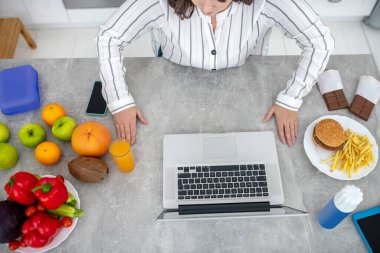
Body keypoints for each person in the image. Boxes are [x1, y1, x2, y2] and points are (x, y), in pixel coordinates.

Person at [96, 0, 334, 147]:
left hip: (247, 80)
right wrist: (119, 101)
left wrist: (291, 99)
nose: (206, 8)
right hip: (175, 78)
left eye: (220, 1)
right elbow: (109, 37)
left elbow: (320, 41)